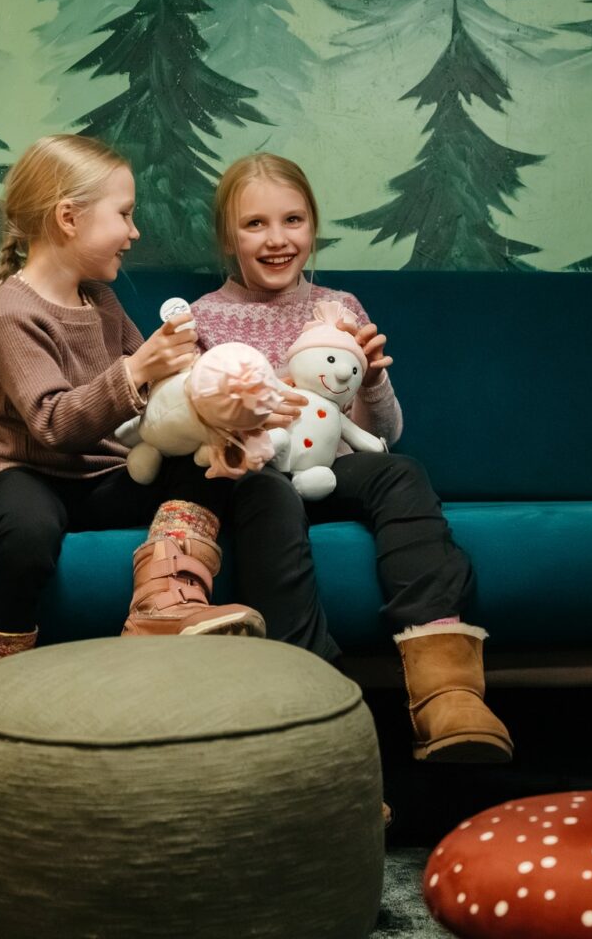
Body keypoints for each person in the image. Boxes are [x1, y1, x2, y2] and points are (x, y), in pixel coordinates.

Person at [190, 152, 513, 763]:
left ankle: (446, 686)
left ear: (313, 226)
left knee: (401, 471)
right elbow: (201, 426)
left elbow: (385, 433)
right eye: (255, 224)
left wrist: (371, 383)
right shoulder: (206, 317)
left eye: (293, 220)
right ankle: (313, 710)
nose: (278, 239)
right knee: (267, 491)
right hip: (261, 473)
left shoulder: (339, 306)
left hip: (334, 464)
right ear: (228, 238)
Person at [0, 135, 285, 675]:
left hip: (103, 474)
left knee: (212, 472)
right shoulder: (10, 313)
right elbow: (54, 424)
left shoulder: (101, 299)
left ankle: (163, 602)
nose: (134, 233)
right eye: (125, 214)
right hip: (23, 471)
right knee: (29, 537)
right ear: (69, 217)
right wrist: (138, 370)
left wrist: (225, 399)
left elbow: (164, 391)